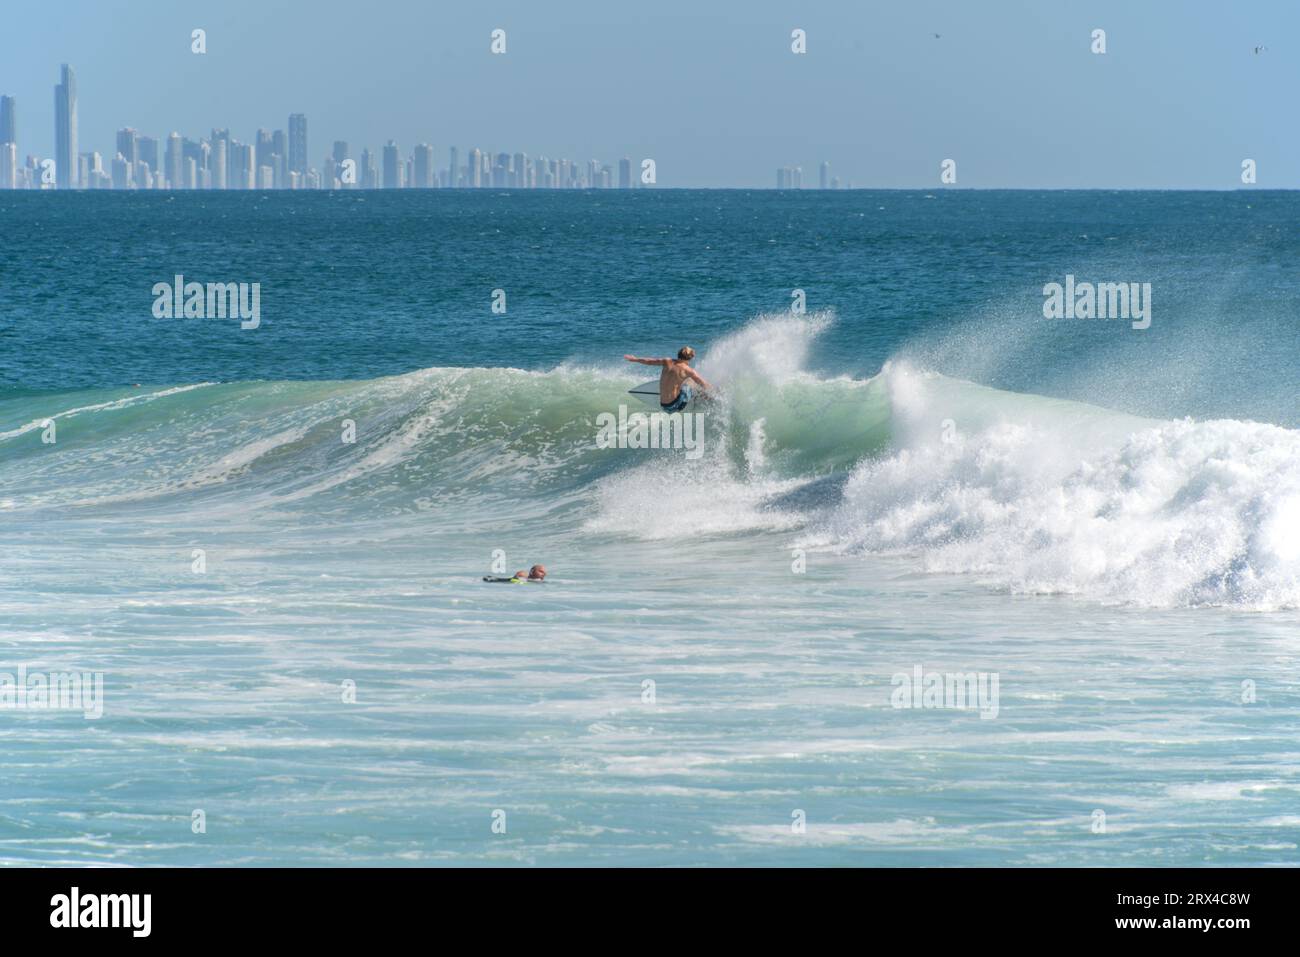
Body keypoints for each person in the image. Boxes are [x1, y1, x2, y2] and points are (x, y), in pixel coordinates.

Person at [623, 347, 713, 412]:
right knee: (690, 382)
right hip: (675, 406)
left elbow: (649, 361)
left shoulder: (667, 361)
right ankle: (701, 397)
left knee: (683, 381)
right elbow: (703, 383)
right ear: (690, 358)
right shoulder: (688, 370)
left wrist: (635, 359)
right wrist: (714, 391)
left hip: (663, 405)